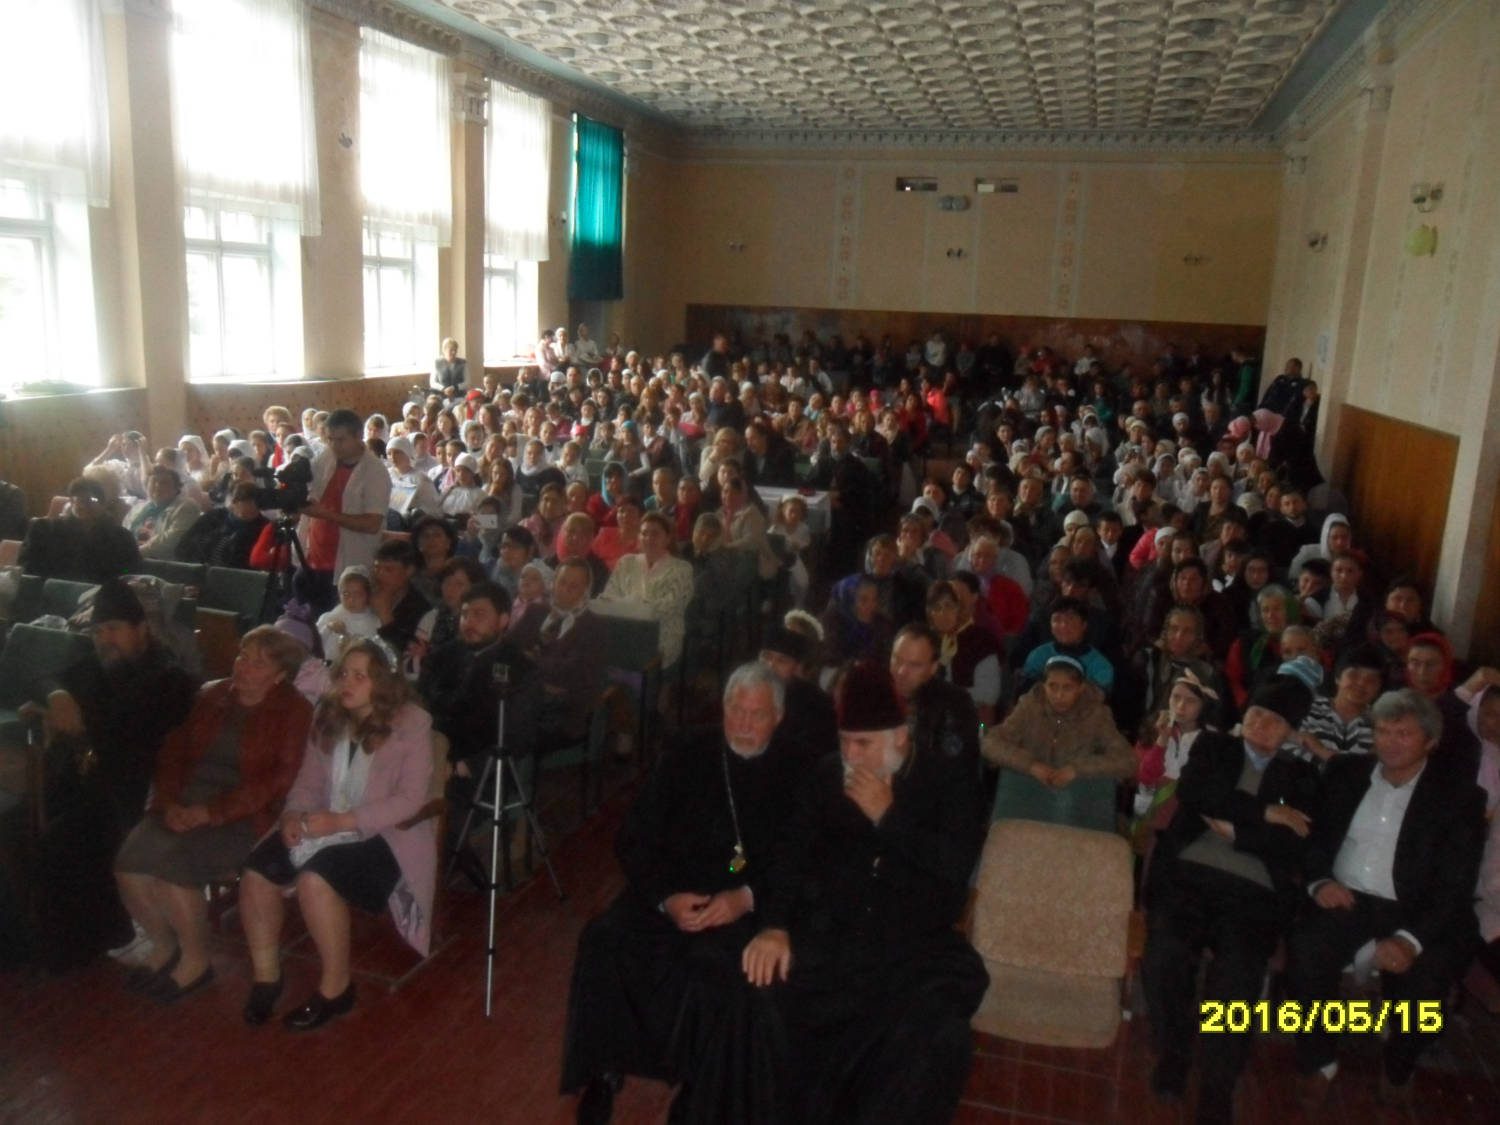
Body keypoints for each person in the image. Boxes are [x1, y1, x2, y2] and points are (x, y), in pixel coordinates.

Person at [741, 661, 988, 1124]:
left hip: (910, 947)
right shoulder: (825, 776)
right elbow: (789, 857)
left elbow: (954, 868)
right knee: (763, 992)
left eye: (864, 744)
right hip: (831, 938)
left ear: (900, 738)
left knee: (938, 1035)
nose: (851, 756)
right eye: (844, 742)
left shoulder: (945, 780)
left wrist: (890, 817)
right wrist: (774, 925)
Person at [563, 663, 805, 1124]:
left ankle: (700, 1085)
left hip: (743, 904)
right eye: (735, 710)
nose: (743, 724)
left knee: (719, 970)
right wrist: (666, 898)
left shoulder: (798, 769)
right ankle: (605, 1069)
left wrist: (744, 898)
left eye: (756, 714)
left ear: (778, 717)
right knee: (604, 939)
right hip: (670, 892)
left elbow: (801, 861)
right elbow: (633, 837)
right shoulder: (686, 751)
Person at [1288, 689, 1488, 1109]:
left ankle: (1400, 1063)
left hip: (1419, 911)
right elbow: (1315, 839)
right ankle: (1319, 1059)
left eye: (1404, 734)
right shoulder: (1345, 773)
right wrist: (1319, 882)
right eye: (1382, 731)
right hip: (1347, 898)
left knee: (1426, 990)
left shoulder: (1459, 797)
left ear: (1430, 741)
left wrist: (1409, 940)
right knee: (1306, 951)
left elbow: (1455, 884)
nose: (1391, 742)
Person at [1143, 676, 1319, 1123]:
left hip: (1255, 892)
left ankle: (1218, 1082)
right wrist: (1266, 812)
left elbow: (1296, 842)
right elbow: (1196, 793)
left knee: (1237, 978)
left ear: (1291, 732)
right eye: (1256, 715)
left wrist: (1238, 831)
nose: (1261, 726)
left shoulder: (1300, 775)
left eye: (1275, 722)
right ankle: (1175, 1051)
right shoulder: (1215, 747)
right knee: (1164, 954)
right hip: (1189, 874)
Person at [237, 639, 436, 1029]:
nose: (348, 682)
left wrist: (343, 820)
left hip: (386, 833)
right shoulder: (328, 715)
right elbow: (308, 782)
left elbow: (410, 800)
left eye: (361, 676)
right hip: (324, 822)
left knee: (316, 880)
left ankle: (336, 989)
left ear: (383, 682)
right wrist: (293, 815)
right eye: (344, 673)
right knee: (257, 873)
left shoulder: (411, 723)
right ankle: (266, 977)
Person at [113, 627, 311, 1003]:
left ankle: (196, 961)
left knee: (174, 871)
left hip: (244, 814)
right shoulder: (212, 695)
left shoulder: (294, 710)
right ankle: (163, 945)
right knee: (129, 866)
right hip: (185, 802)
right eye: (242, 656)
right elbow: (173, 752)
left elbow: (278, 782)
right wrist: (169, 803)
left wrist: (211, 812)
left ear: (280, 675)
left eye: (258, 663)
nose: (243, 667)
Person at [11, 579, 198, 969]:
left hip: (135, 793)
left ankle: (69, 948)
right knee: (16, 828)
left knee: (61, 841)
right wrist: (58, 696)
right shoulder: (99, 664)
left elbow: (120, 729)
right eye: (97, 632)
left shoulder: (170, 677)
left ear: (141, 629)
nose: (104, 639)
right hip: (86, 782)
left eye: (113, 629)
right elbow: (40, 677)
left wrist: (61, 718)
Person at [984, 654, 1133, 794]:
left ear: (1080, 688)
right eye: (1052, 686)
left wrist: (1077, 770)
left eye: (1067, 688)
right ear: (1044, 686)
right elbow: (990, 743)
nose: (1059, 695)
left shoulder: (1096, 715)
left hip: (1077, 796)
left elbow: (1127, 760)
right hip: (1029, 791)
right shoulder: (1029, 707)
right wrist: (1030, 765)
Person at [298, 409, 392, 615]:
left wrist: (326, 514)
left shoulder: (374, 471)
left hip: (347, 563)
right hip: (315, 557)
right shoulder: (327, 457)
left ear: (358, 436)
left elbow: (372, 524)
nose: (334, 445)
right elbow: (311, 488)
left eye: (341, 440)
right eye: (330, 439)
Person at [599, 512, 694, 668]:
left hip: (662, 633)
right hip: (623, 628)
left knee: (630, 654)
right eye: (644, 533)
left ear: (667, 538)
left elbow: (671, 606)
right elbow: (609, 597)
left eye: (655, 534)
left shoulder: (681, 569)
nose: (649, 538)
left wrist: (632, 607)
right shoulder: (626, 562)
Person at [19, 476, 141, 583]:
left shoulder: (121, 538)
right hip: (50, 592)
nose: (83, 505)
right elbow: (28, 568)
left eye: (91, 500)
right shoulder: (45, 530)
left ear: (104, 504)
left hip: (100, 594)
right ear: (71, 502)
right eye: (77, 499)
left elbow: (129, 571)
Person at [758, 625, 838, 765]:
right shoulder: (742, 690)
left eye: (781, 661)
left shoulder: (817, 704)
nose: (770, 666)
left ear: (796, 667)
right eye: (766, 656)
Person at [173, 481, 268, 568]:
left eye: (257, 505)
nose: (253, 508)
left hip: (228, 577)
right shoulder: (214, 516)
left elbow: (245, 565)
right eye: (247, 502)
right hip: (194, 570)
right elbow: (183, 545)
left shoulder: (263, 527)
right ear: (234, 502)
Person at [369, 539, 433, 654]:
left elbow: (406, 653)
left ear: (409, 571)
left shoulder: (421, 609)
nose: (379, 575)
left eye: (388, 569)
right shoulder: (363, 595)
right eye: (376, 567)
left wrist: (385, 617)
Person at [126, 466, 202, 560]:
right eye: (153, 481)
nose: (157, 486)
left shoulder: (186, 507)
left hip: (163, 563)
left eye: (164, 483)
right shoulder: (138, 507)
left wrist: (134, 553)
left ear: (176, 488)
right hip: (134, 558)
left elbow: (171, 541)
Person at [315, 566, 381, 661]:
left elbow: (374, 653)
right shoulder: (329, 617)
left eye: (357, 594)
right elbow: (314, 645)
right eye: (346, 594)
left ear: (367, 595)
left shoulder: (374, 623)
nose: (351, 600)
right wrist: (328, 628)